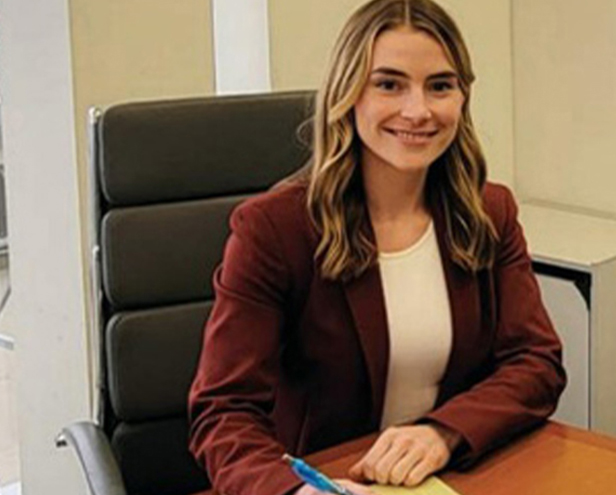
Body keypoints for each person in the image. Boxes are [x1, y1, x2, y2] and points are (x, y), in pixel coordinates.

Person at [188, 1, 566, 494]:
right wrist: (294, 491)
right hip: (326, 481)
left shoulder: (488, 212)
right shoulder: (274, 230)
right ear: (348, 95)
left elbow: (536, 361)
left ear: (462, 97)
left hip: (442, 479)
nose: (418, 110)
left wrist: (444, 432)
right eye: (388, 84)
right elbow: (223, 410)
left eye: (440, 85)